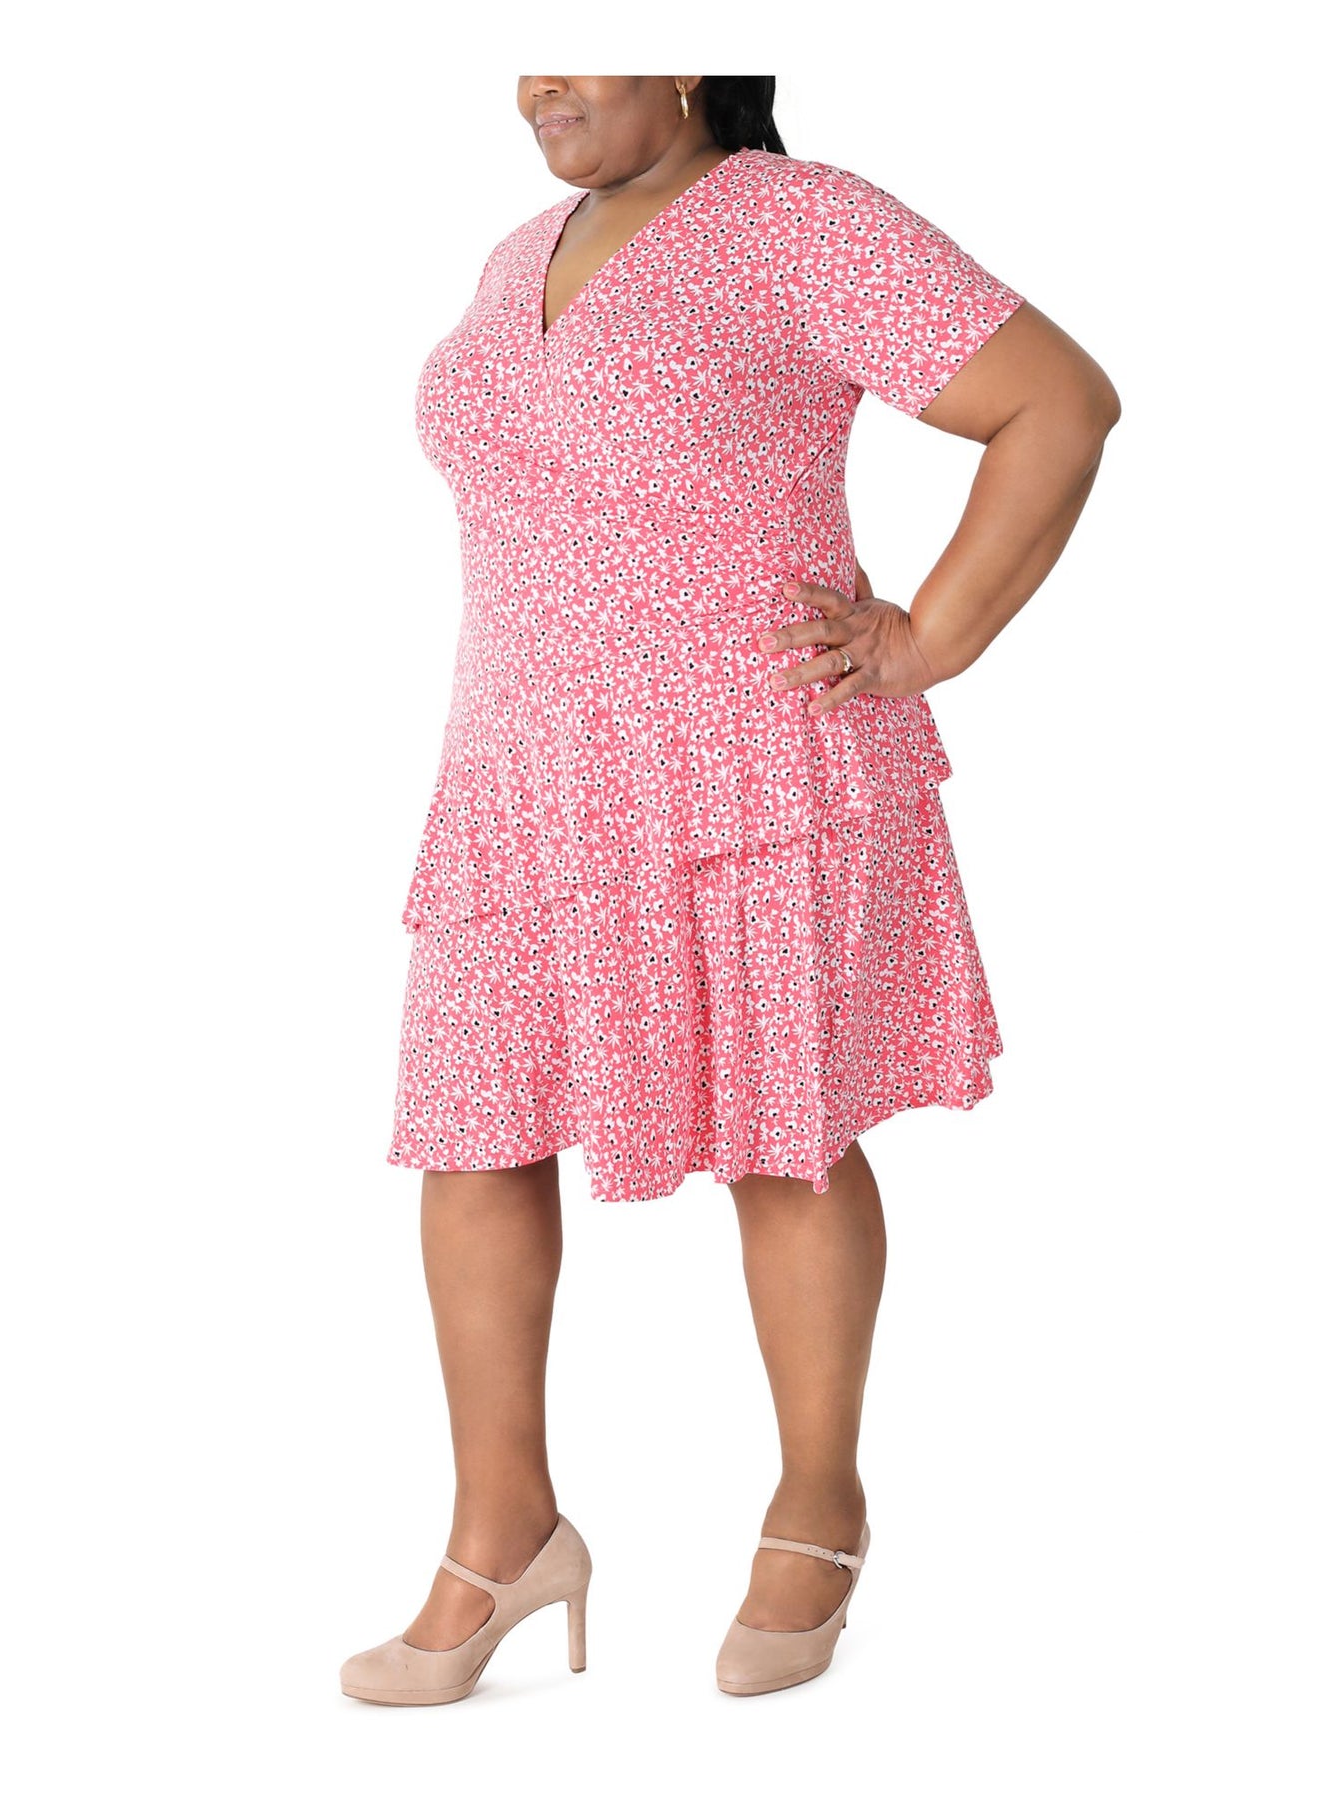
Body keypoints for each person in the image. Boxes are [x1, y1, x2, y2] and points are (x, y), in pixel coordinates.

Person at [340, 75, 1120, 1705]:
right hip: (520, 775)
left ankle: (817, 1505)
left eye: (583, 48)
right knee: (469, 1136)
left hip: (749, 771)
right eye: (527, 50)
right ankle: (504, 1531)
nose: (539, 84)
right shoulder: (517, 250)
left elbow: (1056, 400)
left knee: (782, 1137)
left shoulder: (795, 218)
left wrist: (929, 636)